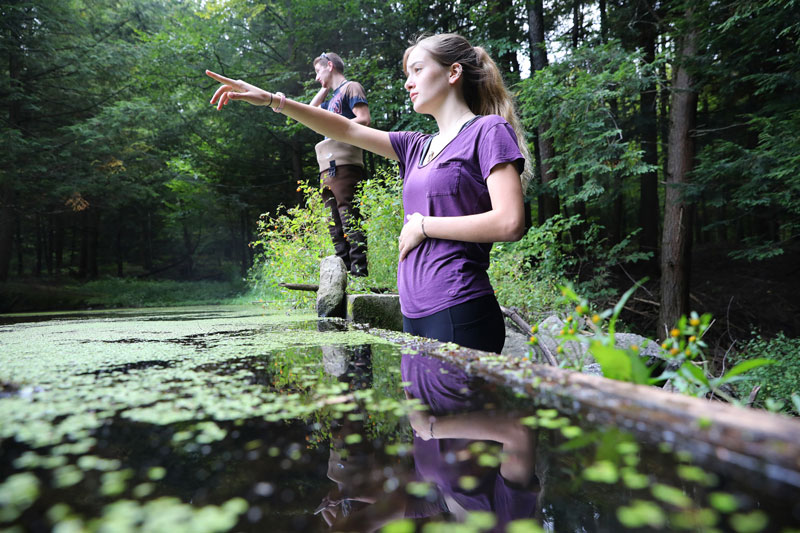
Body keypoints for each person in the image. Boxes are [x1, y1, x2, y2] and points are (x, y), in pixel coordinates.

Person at [207, 33, 531, 353]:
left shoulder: (487, 130)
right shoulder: (415, 145)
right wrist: (272, 100)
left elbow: (509, 222)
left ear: (453, 72)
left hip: (460, 309)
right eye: (408, 74)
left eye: (417, 70)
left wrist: (423, 226)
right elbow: (346, 128)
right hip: (412, 314)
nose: (408, 82)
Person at [310, 52, 371, 277]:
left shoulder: (351, 87)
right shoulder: (331, 98)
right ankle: (343, 273)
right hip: (328, 167)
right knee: (334, 224)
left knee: (349, 217)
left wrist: (336, 130)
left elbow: (363, 118)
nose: (317, 77)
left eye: (318, 72)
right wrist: (325, 89)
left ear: (330, 65)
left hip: (346, 164)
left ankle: (359, 274)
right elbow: (311, 113)